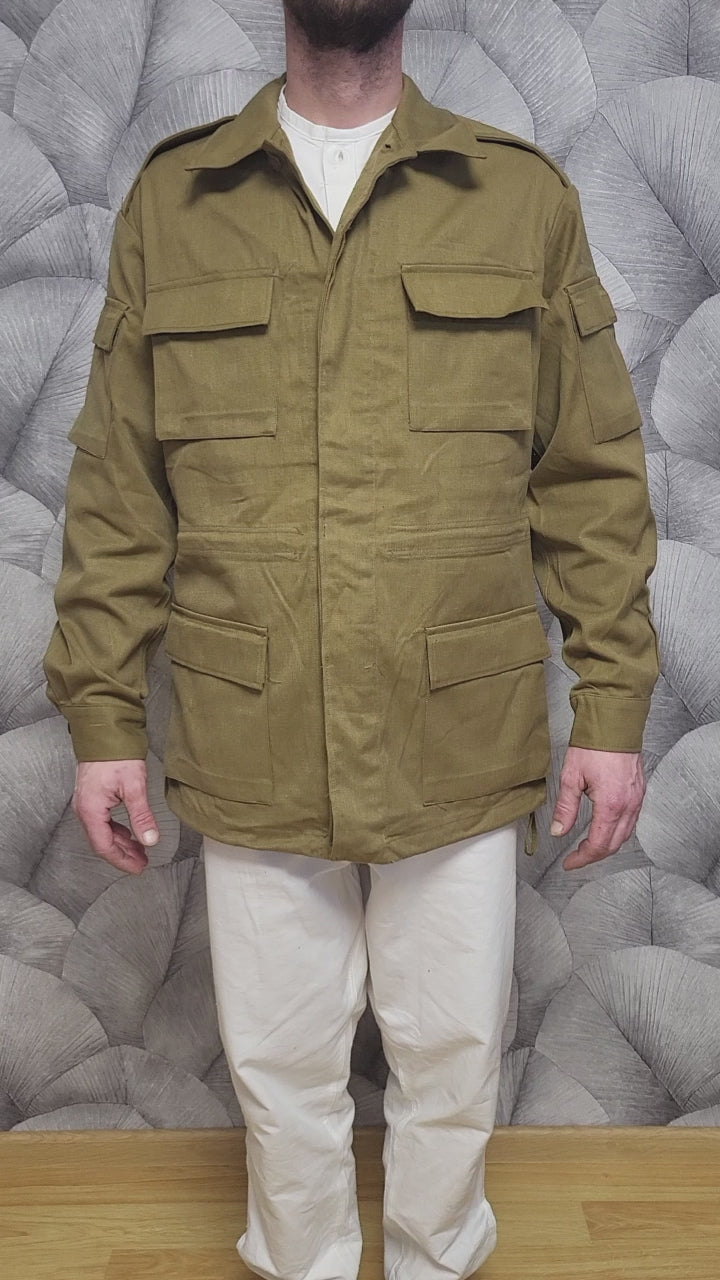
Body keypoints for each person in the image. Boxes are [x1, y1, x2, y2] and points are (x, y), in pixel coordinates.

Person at [42, 2, 661, 1277]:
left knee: (454, 1056)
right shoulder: (177, 201)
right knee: (278, 1063)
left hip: (456, 723)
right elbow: (117, 488)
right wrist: (103, 717)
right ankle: (302, 1260)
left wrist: (612, 705)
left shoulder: (517, 198)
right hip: (252, 722)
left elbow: (590, 475)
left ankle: (439, 1256)